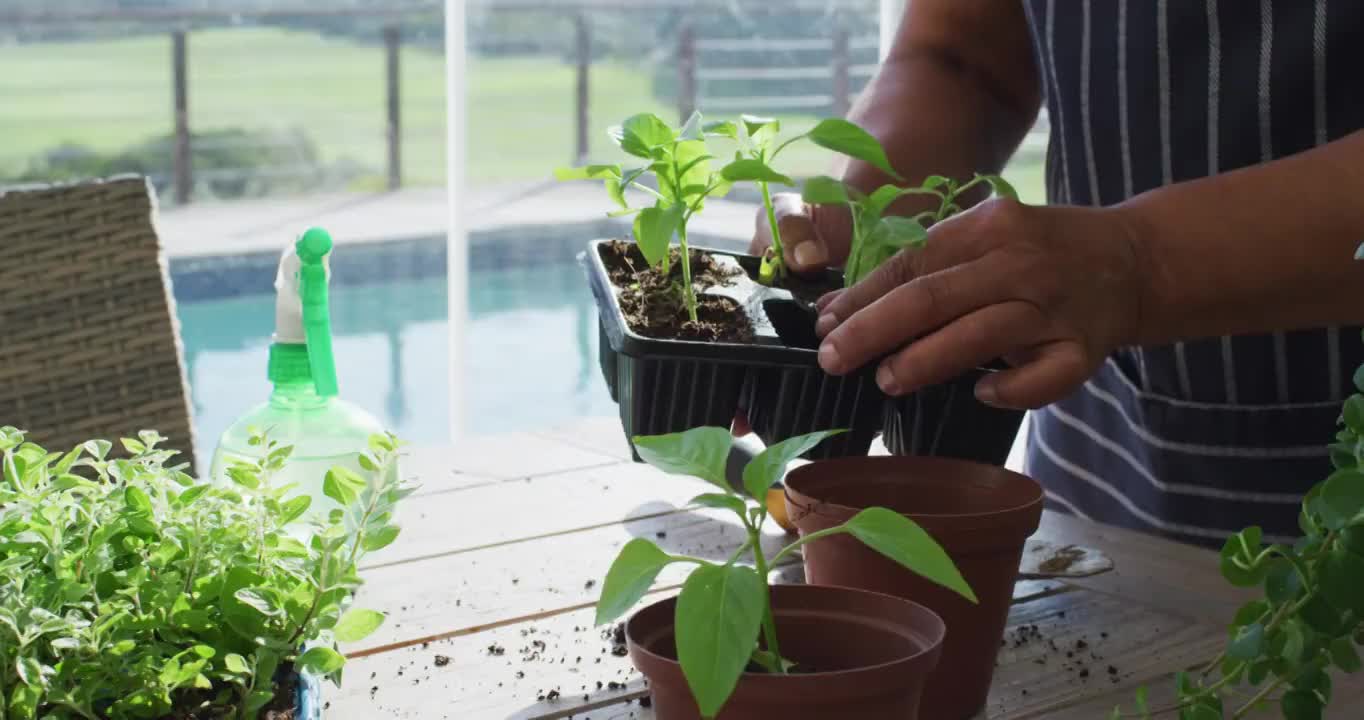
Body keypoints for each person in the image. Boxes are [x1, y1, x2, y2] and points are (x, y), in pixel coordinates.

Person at [750, 1, 1364, 546]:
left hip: (1338, 509)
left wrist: (1143, 261)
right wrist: (866, 218)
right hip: (1099, 473)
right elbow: (963, 55)